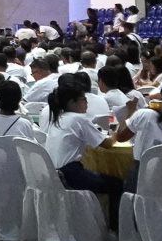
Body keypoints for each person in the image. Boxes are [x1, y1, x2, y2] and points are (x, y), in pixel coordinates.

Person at [42, 82, 124, 228]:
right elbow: (106, 144)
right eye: (83, 100)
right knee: (118, 184)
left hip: (53, 173)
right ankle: (114, 230)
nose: (87, 103)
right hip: (70, 174)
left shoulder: (57, 118)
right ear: (72, 102)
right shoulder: (78, 119)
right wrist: (116, 133)